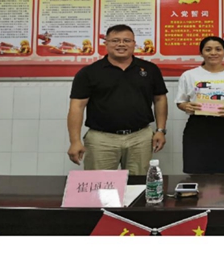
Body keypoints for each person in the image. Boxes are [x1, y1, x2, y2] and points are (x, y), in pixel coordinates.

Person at [67, 24, 168, 175]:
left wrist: (160, 130)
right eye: (115, 40)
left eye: (126, 40)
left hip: (140, 138)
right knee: (100, 185)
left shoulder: (150, 69)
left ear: (134, 43)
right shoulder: (89, 72)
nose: (121, 44)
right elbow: (77, 107)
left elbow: (160, 99)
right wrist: (75, 141)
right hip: (101, 139)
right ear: (106, 43)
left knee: (138, 184)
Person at [175, 36, 224, 173]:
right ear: (201, 53)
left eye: (218, 49)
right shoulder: (189, 75)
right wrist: (186, 106)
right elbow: (180, 101)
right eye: (208, 50)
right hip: (198, 125)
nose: (213, 53)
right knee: (197, 170)